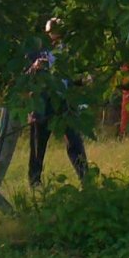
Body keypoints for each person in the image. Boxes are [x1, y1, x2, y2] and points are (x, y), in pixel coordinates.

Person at [27, 17, 88, 187]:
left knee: (75, 142)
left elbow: (74, 77)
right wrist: (34, 67)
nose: (55, 38)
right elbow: (24, 78)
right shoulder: (36, 51)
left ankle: (86, 179)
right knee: (38, 145)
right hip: (42, 103)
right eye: (52, 34)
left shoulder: (68, 52)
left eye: (59, 35)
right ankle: (34, 182)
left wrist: (84, 80)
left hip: (65, 102)